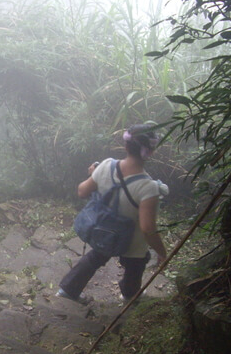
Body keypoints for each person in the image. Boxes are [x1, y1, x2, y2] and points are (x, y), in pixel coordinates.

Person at [57, 124, 168, 302]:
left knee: (96, 256)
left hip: (105, 232)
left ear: (125, 146)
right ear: (150, 151)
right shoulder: (149, 188)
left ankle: (68, 291)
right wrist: (162, 252)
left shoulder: (106, 165)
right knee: (136, 264)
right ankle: (129, 294)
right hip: (132, 242)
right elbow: (147, 229)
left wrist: (94, 174)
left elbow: (82, 192)